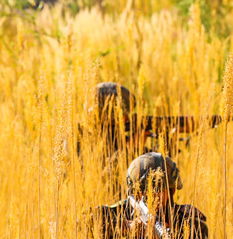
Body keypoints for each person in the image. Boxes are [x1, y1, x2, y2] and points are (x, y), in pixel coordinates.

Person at [77, 82, 223, 196]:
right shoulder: (79, 137)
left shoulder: (116, 137)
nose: (127, 119)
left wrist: (167, 143)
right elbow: (99, 179)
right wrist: (130, 148)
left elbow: (153, 170)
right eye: (122, 117)